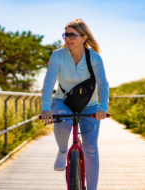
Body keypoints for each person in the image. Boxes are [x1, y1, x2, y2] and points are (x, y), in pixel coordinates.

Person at [40, 19, 109, 190]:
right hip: (62, 101)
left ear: (84, 37)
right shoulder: (58, 55)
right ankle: (63, 152)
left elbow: (103, 84)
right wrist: (45, 108)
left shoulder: (94, 57)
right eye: (65, 35)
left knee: (91, 149)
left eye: (72, 35)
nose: (67, 39)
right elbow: (49, 81)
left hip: (90, 105)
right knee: (64, 121)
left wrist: (103, 107)